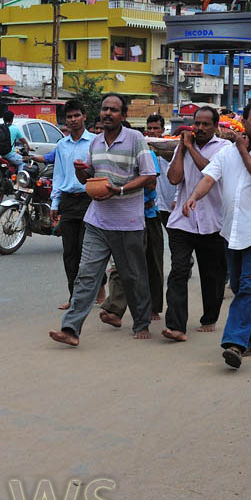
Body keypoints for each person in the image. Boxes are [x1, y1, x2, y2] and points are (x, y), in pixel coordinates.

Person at [182, 101, 251, 368]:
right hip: (230, 230)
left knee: (249, 287)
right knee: (240, 287)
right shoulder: (227, 153)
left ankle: (235, 343)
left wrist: (242, 149)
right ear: (245, 122)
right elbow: (209, 177)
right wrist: (193, 197)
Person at [48, 93, 157, 346]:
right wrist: (80, 172)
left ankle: (141, 322)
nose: (108, 113)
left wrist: (119, 190)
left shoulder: (135, 139)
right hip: (97, 221)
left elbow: (149, 176)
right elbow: (89, 178)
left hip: (128, 223)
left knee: (133, 276)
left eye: (114, 110)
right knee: (86, 276)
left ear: (124, 115)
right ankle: (71, 329)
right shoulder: (95, 142)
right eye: (105, 109)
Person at [162, 107, 229, 342]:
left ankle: (209, 318)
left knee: (213, 275)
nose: (199, 128)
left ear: (215, 126)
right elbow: (174, 178)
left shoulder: (224, 149)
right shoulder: (183, 147)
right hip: (183, 221)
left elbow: (211, 172)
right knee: (178, 272)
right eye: (196, 124)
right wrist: (182, 149)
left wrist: (190, 147)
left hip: (213, 222)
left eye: (205, 124)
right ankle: (176, 326)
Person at [99, 113, 170, 325]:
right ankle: (114, 309)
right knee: (122, 265)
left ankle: (153, 307)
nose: (152, 132)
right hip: (124, 215)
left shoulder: (146, 152)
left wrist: (127, 181)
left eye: (155, 128)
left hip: (147, 215)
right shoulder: (109, 155)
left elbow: (150, 183)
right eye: (149, 128)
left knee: (152, 264)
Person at [36, 99, 94, 310]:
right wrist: (54, 204)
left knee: (87, 251)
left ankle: (98, 289)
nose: (73, 120)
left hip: (90, 201)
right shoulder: (61, 145)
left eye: (76, 115)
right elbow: (59, 176)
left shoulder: (95, 142)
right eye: (69, 117)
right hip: (69, 203)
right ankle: (74, 296)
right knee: (70, 253)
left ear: (84, 117)